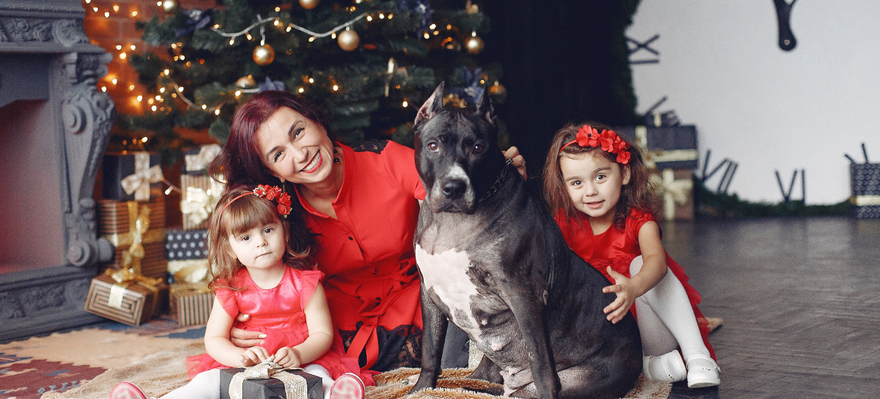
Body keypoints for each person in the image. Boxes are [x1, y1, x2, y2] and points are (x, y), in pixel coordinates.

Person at [208, 90, 525, 373]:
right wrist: (239, 322)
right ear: (271, 171)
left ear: (317, 122)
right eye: (278, 154)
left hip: (414, 299)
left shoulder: (383, 159)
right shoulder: (277, 208)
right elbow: (244, 252)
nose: (300, 154)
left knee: (462, 352)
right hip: (335, 317)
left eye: (299, 132)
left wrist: (498, 178)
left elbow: (450, 187)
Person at [110, 186, 367, 399]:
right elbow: (214, 338)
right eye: (246, 238)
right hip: (247, 363)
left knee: (318, 375)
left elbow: (323, 333)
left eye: (268, 230)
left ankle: (336, 394)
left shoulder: (306, 282)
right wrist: (240, 357)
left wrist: (299, 354)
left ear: (285, 232)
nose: (261, 242)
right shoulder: (231, 287)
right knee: (207, 382)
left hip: (299, 359)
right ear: (230, 249)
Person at [542, 122, 721, 388]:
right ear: (564, 186)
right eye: (576, 182)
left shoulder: (639, 220)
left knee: (641, 264)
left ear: (624, 173)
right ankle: (648, 367)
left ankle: (698, 357)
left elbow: (657, 264)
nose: (590, 191)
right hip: (599, 342)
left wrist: (634, 287)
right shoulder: (563, 226)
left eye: (600, 177)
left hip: (647, 334)